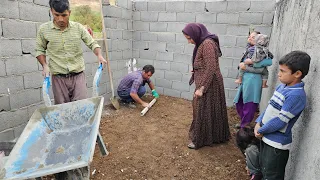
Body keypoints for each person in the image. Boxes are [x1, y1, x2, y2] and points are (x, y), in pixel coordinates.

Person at [36, 0, 107, 105]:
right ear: (51, 11)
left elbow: (92, 43)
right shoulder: (44, 30)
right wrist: (44, 65)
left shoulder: (78, 28)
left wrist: (99, 55)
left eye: (64, 15)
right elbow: (39, 49)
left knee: (81, 106)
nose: (60, 19)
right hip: (58, 78)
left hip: (78, 76)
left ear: (69, 12)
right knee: (62, 109)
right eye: (57, 15)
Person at [254, 51, 311, 179]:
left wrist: (261, 129)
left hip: (276, 146)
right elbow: (269, 107)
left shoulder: (296, 96)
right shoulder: (282, 87)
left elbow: (280, 120)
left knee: (272, 176)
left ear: (297, 74)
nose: (278, 74)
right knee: (263, 170)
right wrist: (258, 122)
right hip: (266, 137)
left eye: (283, 71)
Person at [182, 23, 230, 149]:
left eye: (189, 38)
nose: (189, 42)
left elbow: (211, 67)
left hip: (210, 84)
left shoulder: (207, 44)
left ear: (196, 34)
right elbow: (205, 64)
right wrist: (196, 69)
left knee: (202, 110)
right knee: (207, 110)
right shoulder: (202, 43)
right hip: (207, 82)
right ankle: (213, 136)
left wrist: (202, 88)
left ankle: (201, 139)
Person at [233, 31, 272, 129]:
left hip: (254, 82)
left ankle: (244, 125)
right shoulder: (249, 49)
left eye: (253, 37)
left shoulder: (262, 52)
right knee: (239, 102)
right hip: (245, 80)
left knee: (249, 104)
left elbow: (268, 62)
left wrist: (250, 65)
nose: (250, 38)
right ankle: (244, 121)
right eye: (249, 37)